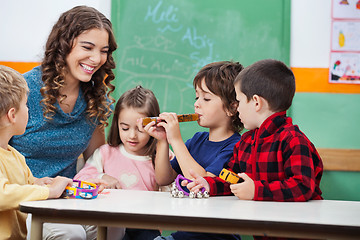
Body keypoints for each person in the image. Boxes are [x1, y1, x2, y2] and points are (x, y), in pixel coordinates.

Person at [9, 5, 117, 240]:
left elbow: (95, 157)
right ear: (63, 45)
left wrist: (104, 175)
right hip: (23, 201)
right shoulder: (23, 91)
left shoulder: (96, 97)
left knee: (114, 226)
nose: (96, 59)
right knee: (71, 234)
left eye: (104, 51)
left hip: (68, 200)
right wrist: (38, 185)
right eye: (87, 47)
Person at [186, 59, 324, 240]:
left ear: (256, 102)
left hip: (299, 234)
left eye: (239, 100)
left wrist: (256, 190)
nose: (237, 108)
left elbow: (302, 186)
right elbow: (232, 178)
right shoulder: (246, 142)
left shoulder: (293, 140)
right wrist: (209, 185)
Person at [143, 61, 244, 240]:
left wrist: (176, 139)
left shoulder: (236, 146)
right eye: (196, 97)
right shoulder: (197, 140)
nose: (197, 104)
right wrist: (163, 141)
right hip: (185, 234)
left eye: (206, 98)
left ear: (232, 107)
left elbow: (203, 184)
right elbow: (163, 178)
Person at [75, 86, 164, 240]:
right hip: (108, 225)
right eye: (125, 128)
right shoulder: (105, 153)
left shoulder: (162, 157)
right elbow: (79, 181)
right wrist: (102, 177)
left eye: (140, 129)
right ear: (117, 124)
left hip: (145, 227)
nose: (132, 135)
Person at [0, 65, 73, 240]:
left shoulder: (15, 156)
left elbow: (25, 185)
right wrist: (50, 192)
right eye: (25, 105)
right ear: (12, 115)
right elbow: (2, 194)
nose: (29, 110)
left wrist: (43, 184)